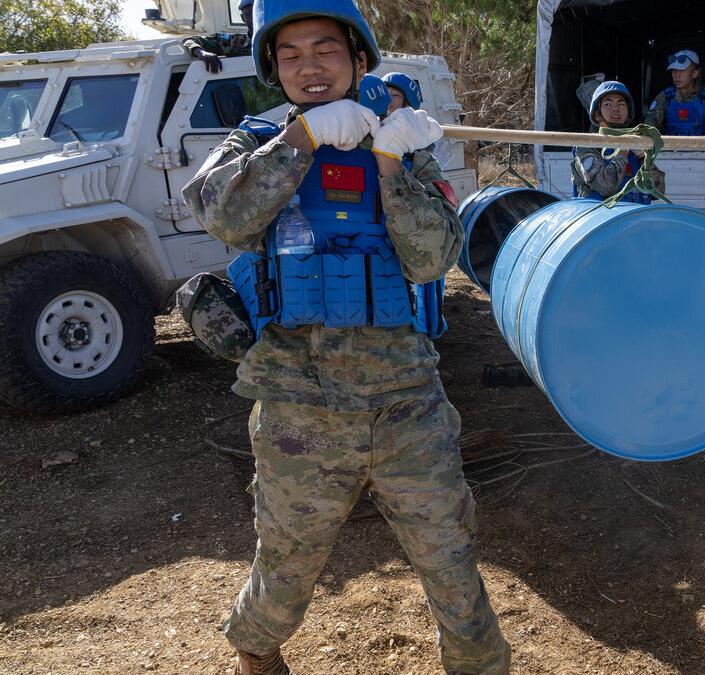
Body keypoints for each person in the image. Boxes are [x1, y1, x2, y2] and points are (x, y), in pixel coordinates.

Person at [180, 1, 510, 673]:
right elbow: (223, 213)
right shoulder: (254, 144)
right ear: (275, 69)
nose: (310, 66)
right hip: (299, 405)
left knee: (451, 555)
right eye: (291, 54)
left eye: (325, 49)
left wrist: (389, 163)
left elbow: (431, 258)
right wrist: (298, 141)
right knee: (288, 560)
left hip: (405, 400)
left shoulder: (404, 147)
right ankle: (256, 647)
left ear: (359, 59)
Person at [571, 80, 666, 204]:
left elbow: (658, 191)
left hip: (635, 218)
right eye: (608, 104)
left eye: (621, 104)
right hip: (601, 219)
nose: (615, 109)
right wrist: (623, 151)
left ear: (628, 113)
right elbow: (605, 186)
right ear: (596, 114)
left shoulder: (636, 146)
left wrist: (644, 158)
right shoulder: (587, 146)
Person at [644, 49, 705, 164]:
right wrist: (646, 142)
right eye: (673, 70)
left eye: (682, 70)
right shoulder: (665, 96)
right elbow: (650, 123)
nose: (676, 74)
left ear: (695, 73)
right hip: (671, 158)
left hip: (702, 158)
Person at [184, 0, 254, 74]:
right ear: (243, 18)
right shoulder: (234, 41)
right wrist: (201, 52)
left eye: (259, 13)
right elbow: (191, 40)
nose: (255, 18)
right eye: (250, 14)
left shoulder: (267, 40)